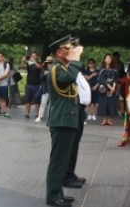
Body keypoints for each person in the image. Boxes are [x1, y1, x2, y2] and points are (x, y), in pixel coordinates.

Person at [45, 35, 83, 207]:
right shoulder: (56, 69)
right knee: (58, 161)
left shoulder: (62, 67)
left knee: (62, 160)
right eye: (68, 48)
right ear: (60, 52)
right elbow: (70, 78)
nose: (72, 51)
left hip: (67, 119)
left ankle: (58, 192)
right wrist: (76, 59)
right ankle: (53, 196)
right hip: (61, 120)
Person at [96, 54, 119, 126]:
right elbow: (102, 80)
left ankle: (109, 120)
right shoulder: (102, 70)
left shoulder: (114, 70)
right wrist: (110, 87)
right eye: (107, 58)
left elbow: (116, 79)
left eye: (109, 58)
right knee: (104, 103)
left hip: (112, 88)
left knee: (111, 103)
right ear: (104, 60)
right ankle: (104, 120)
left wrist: (113, 88)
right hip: (105, 88)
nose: (108, 59)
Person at [21, 51, 43, 119]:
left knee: (37, 100)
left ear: (37, 56)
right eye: (32, 56)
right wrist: (23, 60)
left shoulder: (38, 63)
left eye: (34, 56)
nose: (33, 57)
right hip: (29, 84)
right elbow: (23, 67)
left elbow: (40, 67)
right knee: (28, 100)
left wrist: (34, 61)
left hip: (37, 84)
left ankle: (37, 113)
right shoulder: (29, 63)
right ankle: (27, 113)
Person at [35, 56, 54, 123]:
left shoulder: (55, 70)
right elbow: (41, 78)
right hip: (45, 89)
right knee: (43, 103)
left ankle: (50, 117)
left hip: (52, 89)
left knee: (51, 104)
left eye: (50, 63)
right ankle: (40, 116)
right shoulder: (43, 69)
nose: (49, 64)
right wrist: (45, 74)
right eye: (48, 63)